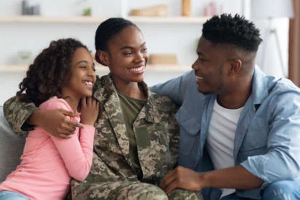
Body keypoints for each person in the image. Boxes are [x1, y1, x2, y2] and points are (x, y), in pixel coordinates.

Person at [2, 18, 203, 200]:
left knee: (187, 196)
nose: (139, 58)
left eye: (143, 50)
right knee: (151, 196)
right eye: (127, 53)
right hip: (96, 190)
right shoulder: (86, 94)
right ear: (103, 58)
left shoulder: (165, 107)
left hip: (149, 190)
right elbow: (14, 104)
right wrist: (41, 117)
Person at [151, 14, 300, 200]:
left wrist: (201, 179)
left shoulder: (284, 98)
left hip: (268, 194)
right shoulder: (192, 84)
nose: (194, 65)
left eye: (203, 59)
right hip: (220, 196)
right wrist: (103, 100)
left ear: (233, 67)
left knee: (280, 191)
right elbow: (144, 94)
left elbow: (285, 163)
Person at [0, 38, 99, 200]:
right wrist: (88, 125)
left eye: (93, 68)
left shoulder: (74, 112)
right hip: (19, 194)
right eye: (83, 67)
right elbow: (80, 171)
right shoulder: (57, 110)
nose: (92, 74)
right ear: (62, 73)